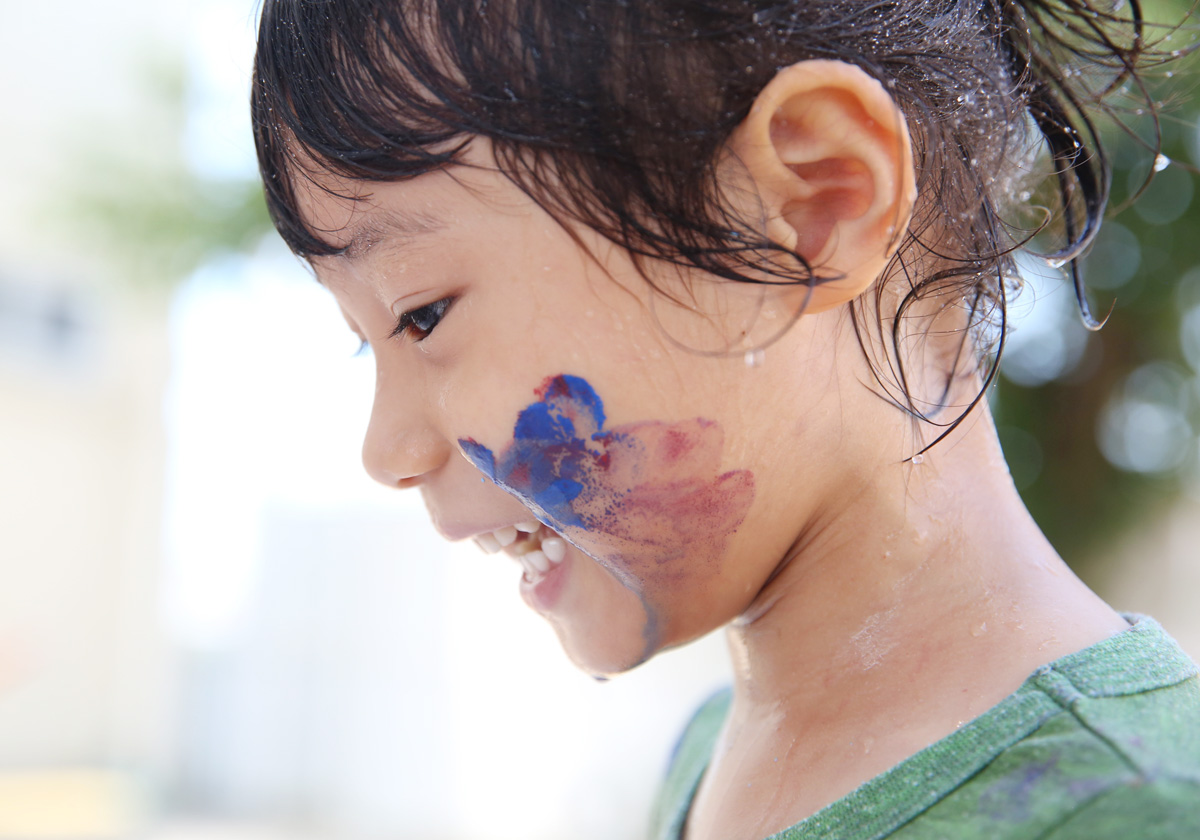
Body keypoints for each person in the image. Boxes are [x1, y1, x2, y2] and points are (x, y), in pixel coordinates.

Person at [250, 0, 1200, 837]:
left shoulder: (1136, 809)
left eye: (421, 315)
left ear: (813, 205)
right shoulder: (708, 755)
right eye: (364, 343)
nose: (387, 451)